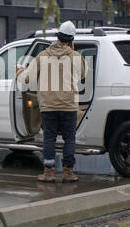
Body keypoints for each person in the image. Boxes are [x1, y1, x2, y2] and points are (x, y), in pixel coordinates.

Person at [16, 21, 86, 183]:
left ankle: (49, 172)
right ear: (71, 40)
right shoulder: (76, 57)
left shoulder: (43, 56)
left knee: (49, 139)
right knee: (69, 138)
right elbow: (83, 75)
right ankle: (68, 172)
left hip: (48, 106)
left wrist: (19, 71)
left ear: (58, 38)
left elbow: (27, 78)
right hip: (69, 106)